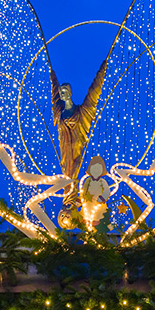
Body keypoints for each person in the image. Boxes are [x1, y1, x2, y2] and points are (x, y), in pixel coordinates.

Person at [50, 61, 108, 227]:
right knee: (66, 172)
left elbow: (93, 93)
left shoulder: (81, 113)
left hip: (76, 146)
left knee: (72, 172)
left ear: (70, 92)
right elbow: (53, 92)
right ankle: (69, 199)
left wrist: (103, 68)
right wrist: (51, 72)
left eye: (65, 91)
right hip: (64, 149)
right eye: (61, 91)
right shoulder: (59, 112)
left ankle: (71, 200)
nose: (62, 93)